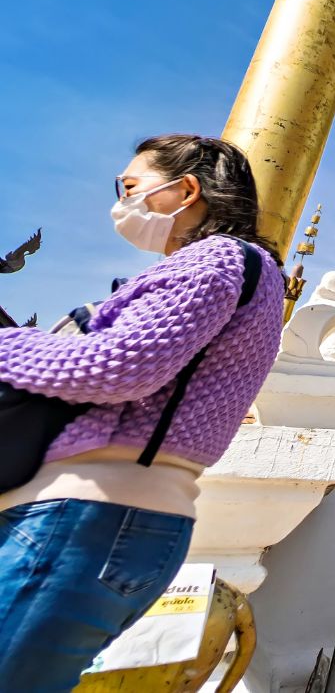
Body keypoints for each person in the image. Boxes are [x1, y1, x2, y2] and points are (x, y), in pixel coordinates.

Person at [0, 134, 284, 688]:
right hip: (113, 515)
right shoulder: (240, 270)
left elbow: (117, 366)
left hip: (90, 511)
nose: (121, 202)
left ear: (186, 189)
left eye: (129, 187)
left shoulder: (218, 259)